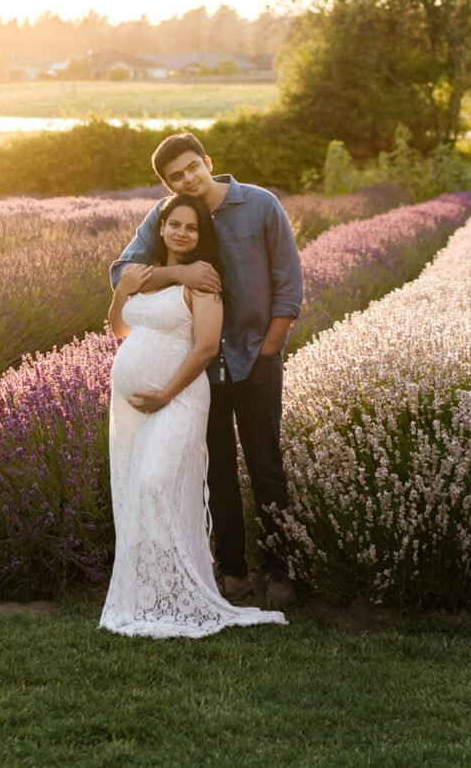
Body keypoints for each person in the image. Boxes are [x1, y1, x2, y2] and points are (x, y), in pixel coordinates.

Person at [109, 132, 302, 609]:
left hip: (254, 358)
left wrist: (269, 349)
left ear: (207, 161)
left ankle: (281, 570)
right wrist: (179, 273)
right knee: (214, 469)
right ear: (167, 184)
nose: (187, 178)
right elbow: (123, 273)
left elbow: (288, 282)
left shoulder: (259, 205)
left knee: (265, 466)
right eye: (176, 177)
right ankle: (232, 571)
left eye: (192, 167)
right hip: (199, 369)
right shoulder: (167, 215)